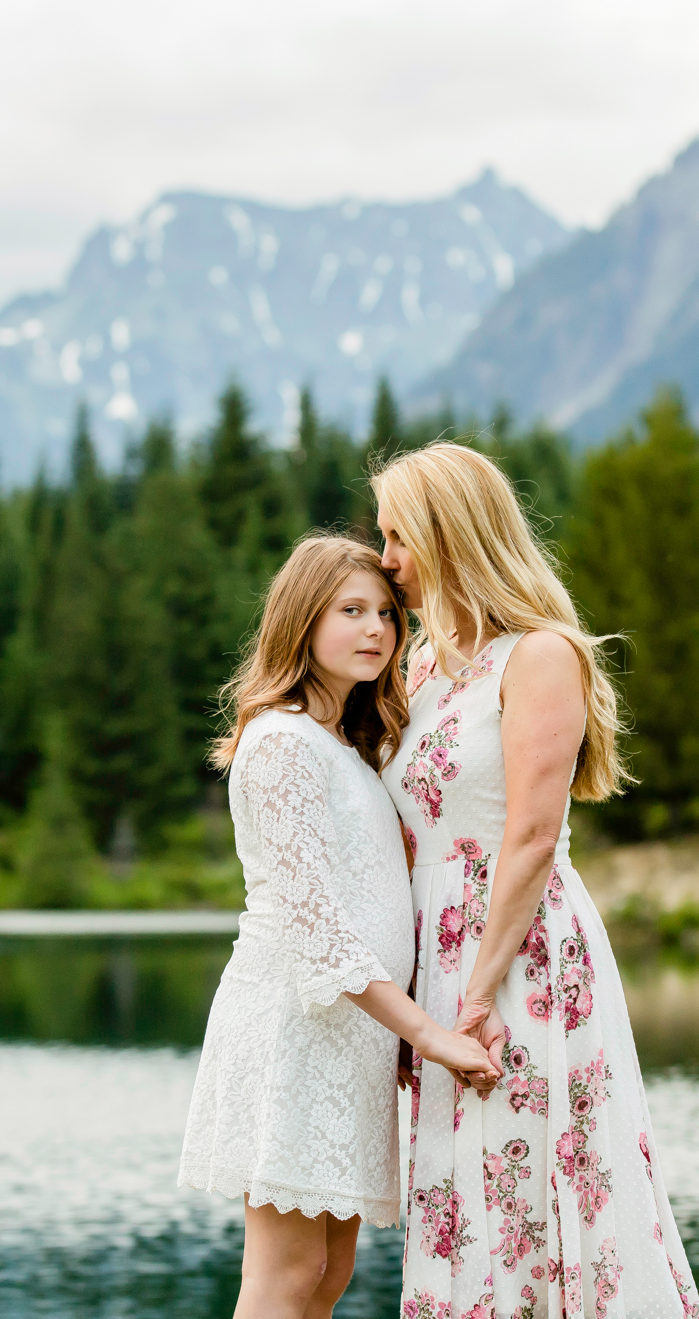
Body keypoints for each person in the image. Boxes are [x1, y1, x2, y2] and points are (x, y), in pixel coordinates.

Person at [372, 444, 699, 1318]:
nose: (387, 561)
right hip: (439, 958)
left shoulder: (541, 655)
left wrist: (476, 992)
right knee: (459, 1185)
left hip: (518, 955)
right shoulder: (422, 666)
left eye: (400, 537)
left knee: (540, 1167)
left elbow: (530, 833)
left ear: (451, 535)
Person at [178, 534, 500, 1319]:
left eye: (386, 613)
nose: (376, 630)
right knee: (286, 1275)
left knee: (326, 1273)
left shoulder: (341, 746)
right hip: (294, 1027)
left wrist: (389, 1034)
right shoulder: (280, 741)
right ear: (300, 621)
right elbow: (315, 928)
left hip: (350, 1033)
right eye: (350, 611)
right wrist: (427, 1033)